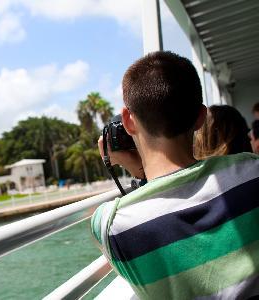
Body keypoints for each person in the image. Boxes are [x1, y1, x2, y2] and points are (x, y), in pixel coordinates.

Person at [91, 51, 259, 299]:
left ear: (128, 120)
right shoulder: (252, 171)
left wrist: (135, 169)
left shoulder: (110, 224)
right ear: (201, 117)